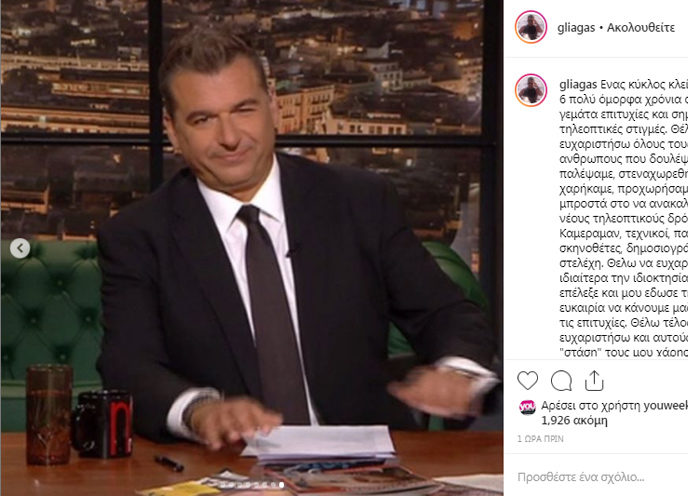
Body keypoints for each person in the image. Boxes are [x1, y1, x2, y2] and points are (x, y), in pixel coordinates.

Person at [97, 25, 497, 450]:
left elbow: (447, 315)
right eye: (203, 119)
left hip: (364, 461)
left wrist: (458, 372)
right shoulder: (138, 235)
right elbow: (129, 367)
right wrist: (199, 410)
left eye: (244, 110)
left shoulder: (359, 201)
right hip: (228, 463)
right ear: (173, 131)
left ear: (273, 106)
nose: (229, 138)